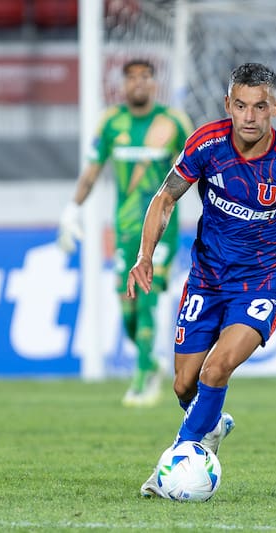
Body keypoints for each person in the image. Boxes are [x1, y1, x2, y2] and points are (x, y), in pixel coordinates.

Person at [126, 62, 276, 498]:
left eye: (260, 106)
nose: (249, 116)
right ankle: (212, 424)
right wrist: (145, 255)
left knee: (217, 367)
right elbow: (165, 198)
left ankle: (176, 463)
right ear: (228, 104)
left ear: (275, 107)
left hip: (262, 283)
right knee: (184, 384)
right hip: (206, 279)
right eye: (241, 105)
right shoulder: (207, 145)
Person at [57, 59, 193, 407]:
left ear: (154, 83)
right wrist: (72, 210)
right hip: (125, 228)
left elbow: (198, 170)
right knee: (128, 308)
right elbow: (91, 172)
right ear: (123, 85)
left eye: (145, 77)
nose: (138, 84)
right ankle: (151, 361)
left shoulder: (173, 122)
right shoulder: (110, 122)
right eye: (131, 78)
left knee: (147, 298)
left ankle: (142, 379)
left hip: (161, 229)